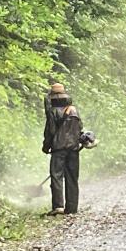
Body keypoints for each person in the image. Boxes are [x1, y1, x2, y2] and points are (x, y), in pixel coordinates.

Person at [42, 83, 83, 215]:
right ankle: (72, 208)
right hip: (74, 149)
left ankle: (58, 206)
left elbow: (50, 131)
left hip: (58, 149)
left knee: (57, 176)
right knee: (72, 177)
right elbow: (80, 129)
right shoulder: (74, 110)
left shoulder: (52, 111)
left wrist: (46, 146)